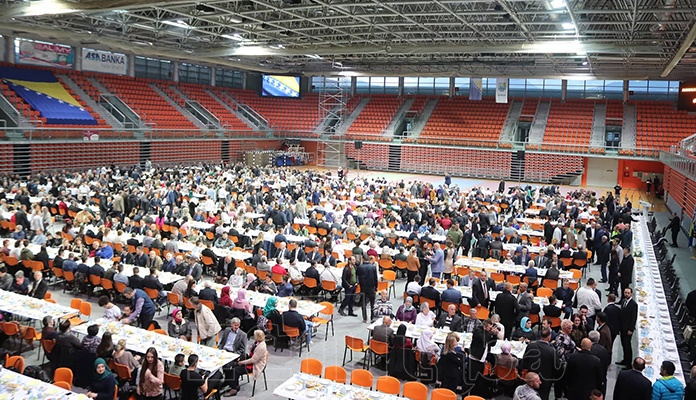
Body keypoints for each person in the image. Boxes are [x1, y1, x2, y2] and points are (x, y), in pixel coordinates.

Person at [223, 330, 268, 396]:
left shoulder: (262, 347)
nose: (254, 336)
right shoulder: (257, 342)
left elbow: (253, 360)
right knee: (233, 365)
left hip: (255, 365)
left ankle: (234, 389)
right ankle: (231, 383)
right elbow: (251, 354)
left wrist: (241, 362)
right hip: (251, 360)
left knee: (235, 370)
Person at [521, 328, 560, 400]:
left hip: (531, 379)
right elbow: (557, 367)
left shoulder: (530, 346)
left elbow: (524, 361)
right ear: (549, 337)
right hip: (546, 381)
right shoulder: (552, 351)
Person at [617, 287, 638, 367]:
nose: (626, 294)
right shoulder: (623, 301)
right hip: (622, 327)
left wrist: (631, 329)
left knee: (627, 345)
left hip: (628, 329)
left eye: (628, 293)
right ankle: (625, 360)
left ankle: (628, 364)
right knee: (623, 344)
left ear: (631, 294)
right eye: (625, 292)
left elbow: (634, 318)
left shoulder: (633, 304)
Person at [357, 256, 379, 323]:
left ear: (363, 259)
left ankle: (365, 318)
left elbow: (358, 277)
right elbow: (375, 278)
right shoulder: (373, 267)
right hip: (371, 287)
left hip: (363, 287)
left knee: (363, 303)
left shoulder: (360, 267)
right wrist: (376, 287)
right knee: (372, 303)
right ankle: (372, 318)